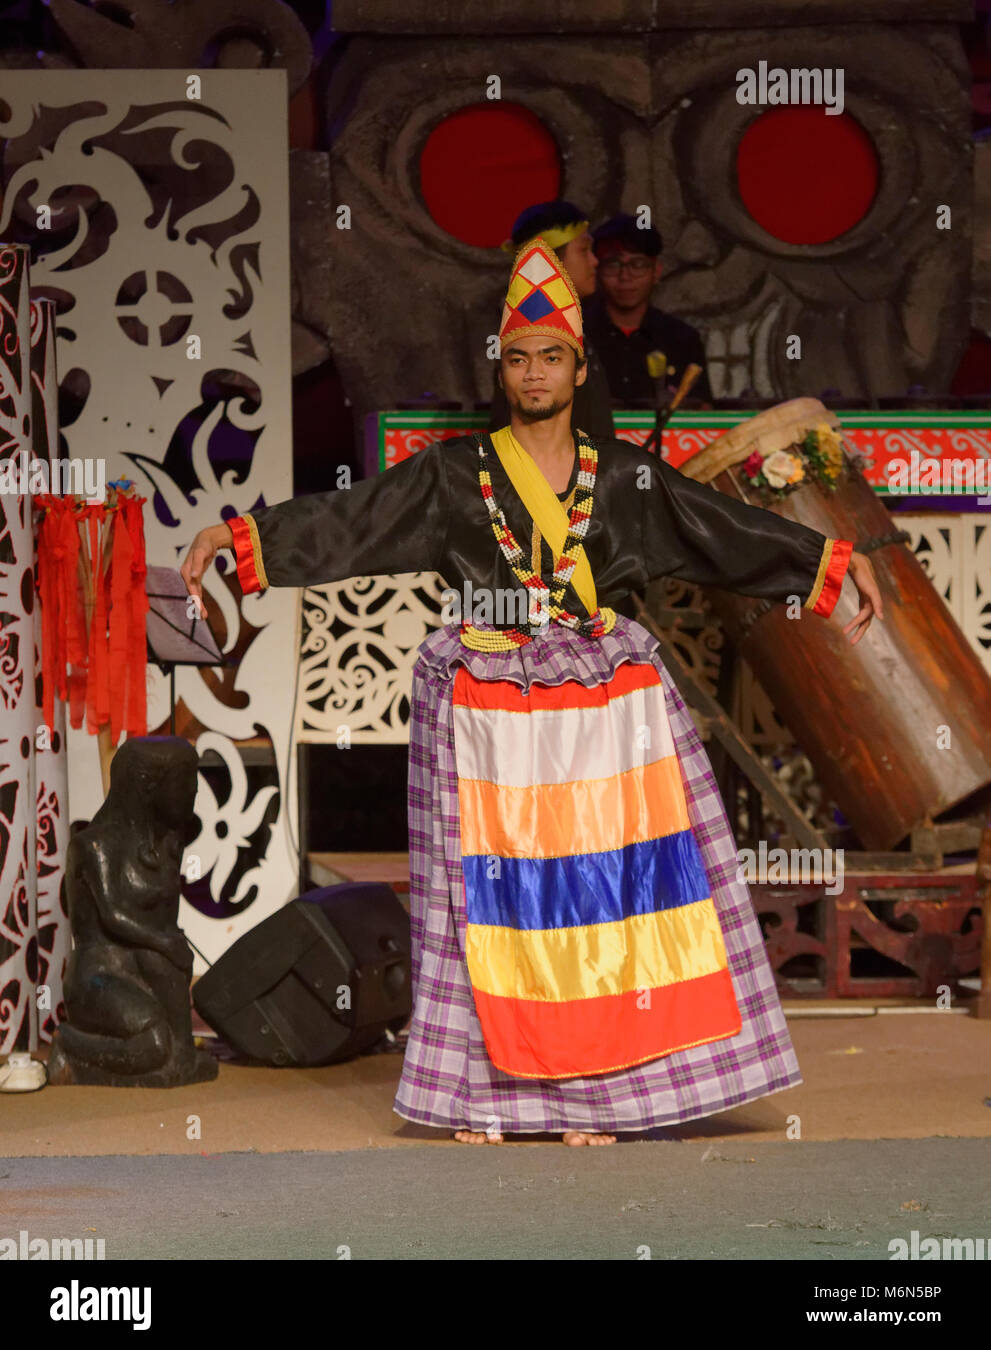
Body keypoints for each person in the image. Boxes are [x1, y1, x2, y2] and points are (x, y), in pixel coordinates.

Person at [181, 236, 882, 1146]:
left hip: (603, 700)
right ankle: (491, 1096)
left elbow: (719, 528)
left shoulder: (623, 475)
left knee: (607, 900)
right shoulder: (452, 476)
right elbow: (345, 525)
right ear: (500, 369)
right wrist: (236, 542)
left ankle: (605, 1095)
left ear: (578, 366)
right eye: (518, 357)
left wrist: (829, 559)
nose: (534, 371)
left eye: (551, 356)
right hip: (489, 701)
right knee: (492, 906)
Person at [488, 200, 615, 438]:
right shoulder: (528, 337)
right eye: (584, 250)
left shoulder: (575, 329)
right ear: (550, 260)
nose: (595, 262)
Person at [584, 213, 714, 407]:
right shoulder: (577, 333)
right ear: (597, 270)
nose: (625, 276)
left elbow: (703, 410)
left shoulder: (682, 340)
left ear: (656, 271)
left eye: (637, 264)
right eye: (613, 264)